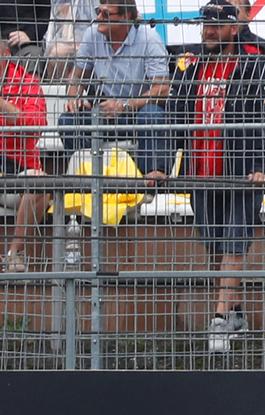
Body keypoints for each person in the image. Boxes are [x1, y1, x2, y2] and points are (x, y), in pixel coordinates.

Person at [149, 0, 265, 352]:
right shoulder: (189, 66)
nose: (209, 31)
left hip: (242, 171)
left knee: (234, 240)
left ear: (234, 29)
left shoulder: (253, 64)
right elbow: (174, 117)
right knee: (216, 245)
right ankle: (235, 312)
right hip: (201, 172)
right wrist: (162, 163)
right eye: (206, 25)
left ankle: (219, 318)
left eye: (217, 26)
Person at [58, 0, 170, 176]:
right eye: (98, 11)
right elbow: (78, 76)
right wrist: (75, 96)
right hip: (105, 111)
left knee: (152, 114)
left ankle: (152, 177)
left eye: (106, 14)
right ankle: (87, 176)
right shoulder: (92, 35)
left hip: (138, 110)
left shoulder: (149, 39)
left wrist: (124, 105)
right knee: (68, 121)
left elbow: (162, 89)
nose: (98, 18)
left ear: (126, 17)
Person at [0, 39, 48, 274]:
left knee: (40, 184)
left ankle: (14, 253)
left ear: (5, 53)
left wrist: (5, 107)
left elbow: (37, 125)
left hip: (16, 166)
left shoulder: (26, 82)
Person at [8, 0, 96, 80]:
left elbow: (92, 32)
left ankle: (44, 92)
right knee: (55, 53)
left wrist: (30, 34)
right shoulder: (56, 2)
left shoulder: (88, 4)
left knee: (56, 54)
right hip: (46, 43)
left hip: (80, 46)